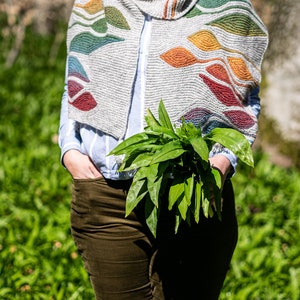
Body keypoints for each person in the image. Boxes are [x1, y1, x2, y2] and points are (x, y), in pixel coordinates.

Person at [59, 0, 268, 299]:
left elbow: (243, 95)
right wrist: (70, 151)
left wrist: (224, 161)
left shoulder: (226, 7)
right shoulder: (96, 3)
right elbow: (75, 79)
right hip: (107, 195)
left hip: (193, 194)